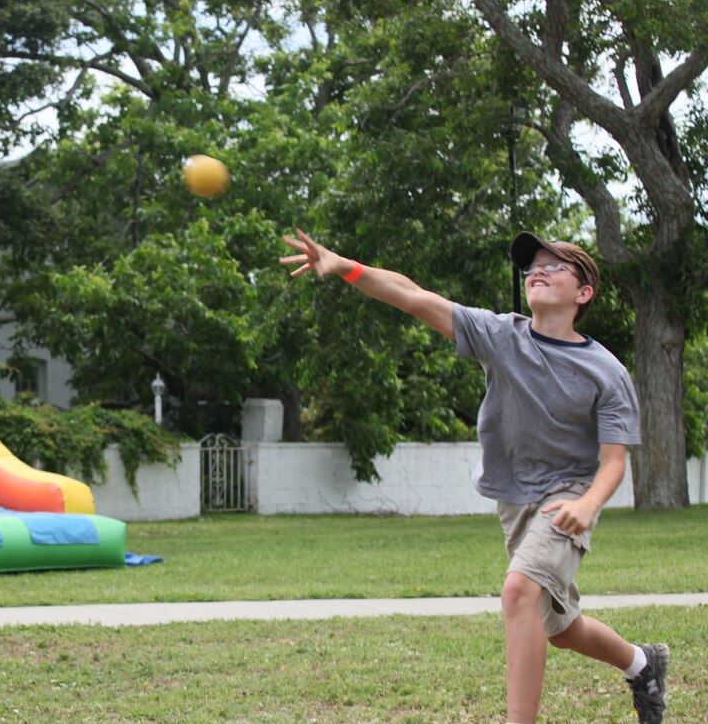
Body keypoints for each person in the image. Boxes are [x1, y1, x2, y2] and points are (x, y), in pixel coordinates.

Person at [280, 229, 668, 724]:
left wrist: (590, 503)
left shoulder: (606, 372)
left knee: (517, 593)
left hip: (568, 495)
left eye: (555, 266)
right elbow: (412, 295)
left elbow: (614, 460)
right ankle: (642, 663)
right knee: (559, 627)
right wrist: (345, 266)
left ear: (584, 293)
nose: (538, 271)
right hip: (514, 498)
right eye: (532, 267)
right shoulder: (501, 335)